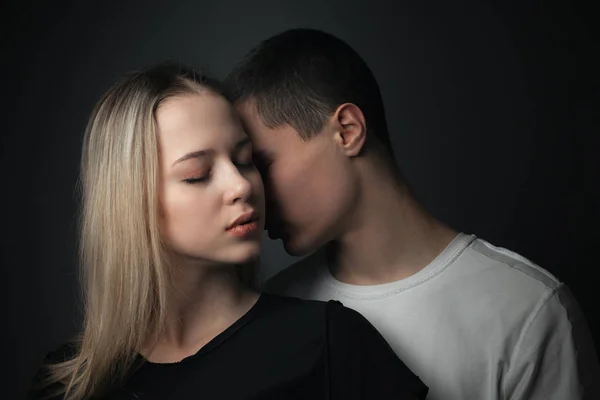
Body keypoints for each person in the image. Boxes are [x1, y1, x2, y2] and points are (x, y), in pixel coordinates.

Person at [226, 28, 600, 399]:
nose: (250, 190)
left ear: (347, 130)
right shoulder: (274, 311)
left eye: (262, 163)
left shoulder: (529, 310)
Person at [27, 63, 428, 400]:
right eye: (198, 175)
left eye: (246, 159)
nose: (242, 186)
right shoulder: (67, 384)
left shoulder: (331, 343)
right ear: (129, 203)